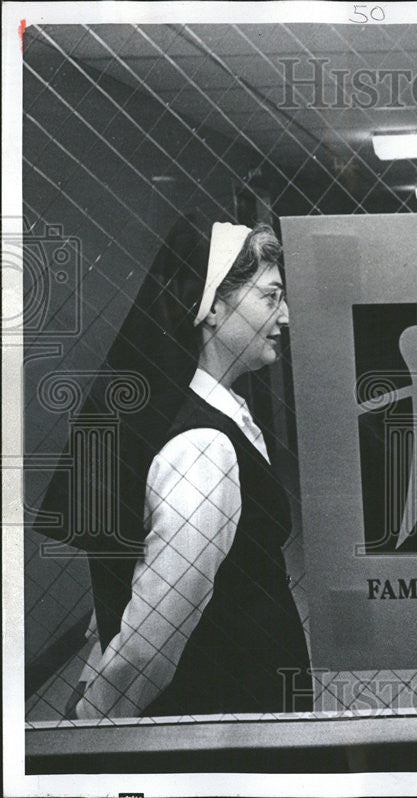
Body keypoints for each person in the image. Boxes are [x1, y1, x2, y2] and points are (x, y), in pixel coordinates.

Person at [73, 218, 312, 718]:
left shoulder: (215, 412)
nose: (285, 315)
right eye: (270, 296)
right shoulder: (204, 448)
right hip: (228, 711)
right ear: (213, 309)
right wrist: (93, 720)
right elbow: (152, 632)